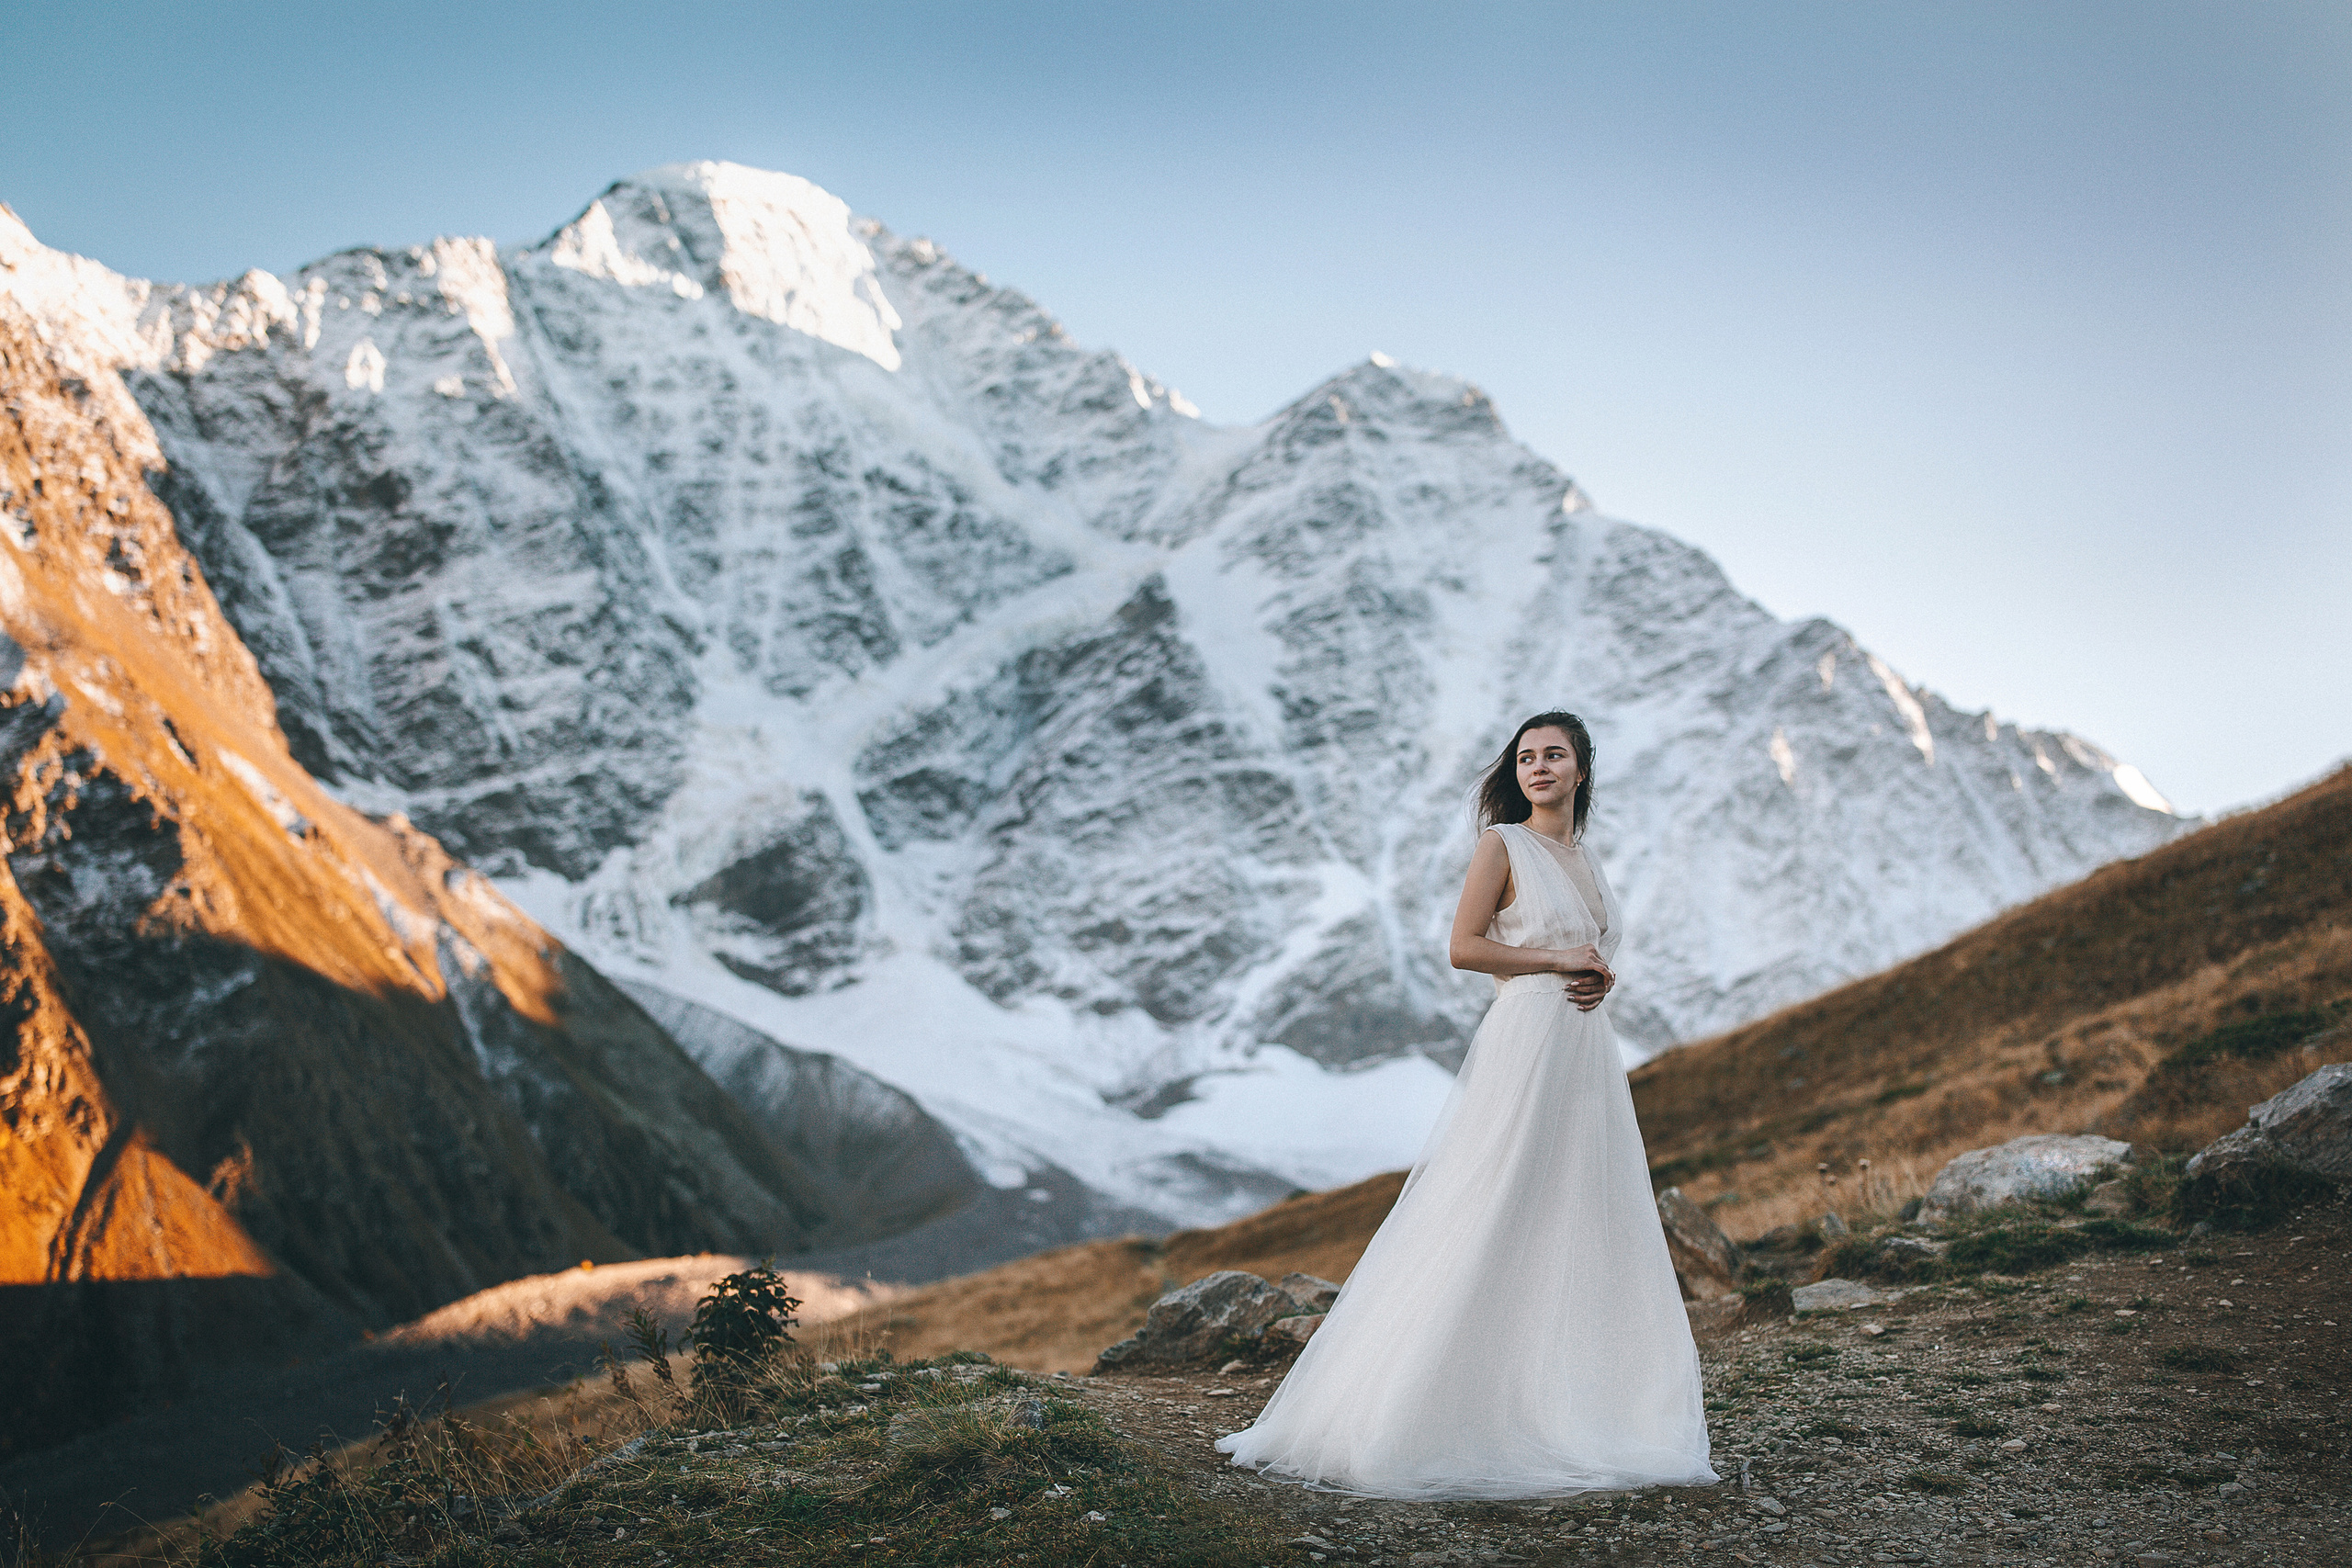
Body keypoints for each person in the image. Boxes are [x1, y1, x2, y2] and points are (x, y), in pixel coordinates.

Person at [1216, 711, 1717, 1497]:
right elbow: (1465, 945)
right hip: (1527, 1040)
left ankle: (1562, 1398)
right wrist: (1558, 958)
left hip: (1585, 1051)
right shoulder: (1503, 844)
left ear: (1582, 769)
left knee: (1575, 1210)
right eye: (1526, 757)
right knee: (1494, 1197)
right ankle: (1412, 1402)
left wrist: (1596, 972)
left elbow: (1590, 947)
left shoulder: (1586, 857)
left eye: (1554, 754)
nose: (1538, 766)